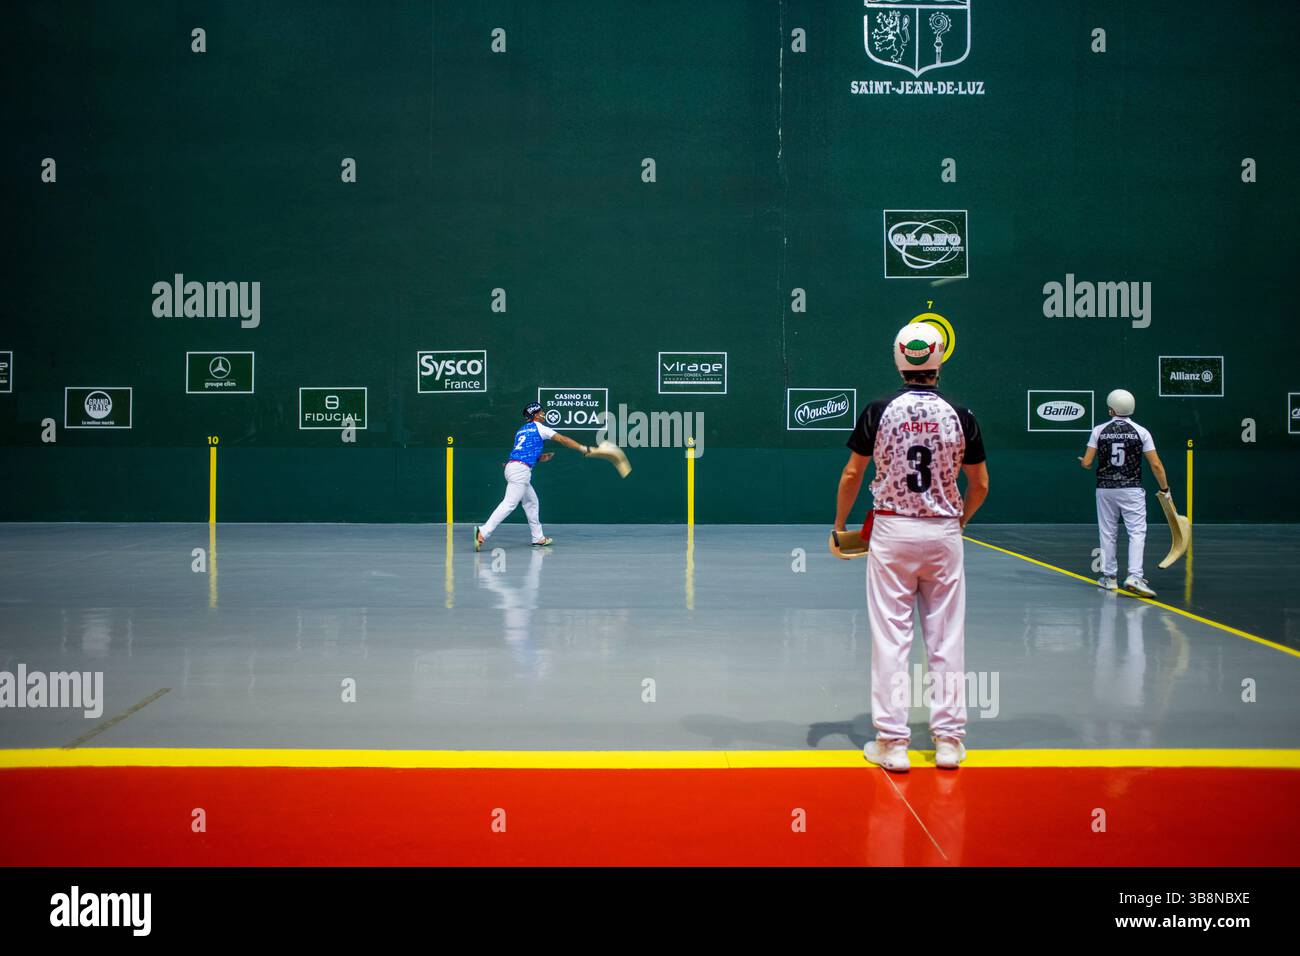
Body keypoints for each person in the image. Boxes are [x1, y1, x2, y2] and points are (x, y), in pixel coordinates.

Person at [834, 322, 990, 773]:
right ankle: (948, 741)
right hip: (942, 534)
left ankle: (893, 743)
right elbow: (979, 484)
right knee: (946, 637)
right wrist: (957, 521)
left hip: (891, 533)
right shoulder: (962, 415)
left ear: (898, 358)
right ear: (939, 360)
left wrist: (841, 526)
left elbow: (851, 475)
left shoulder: (878, 411)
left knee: (891, 637)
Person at [1077, 389, 1171, 598]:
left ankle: (1109, 578)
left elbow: (1087, 462)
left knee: (1108, 532)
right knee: (1136, 532)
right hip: (1132, 489)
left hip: (1105, 489)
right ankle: (1135, 576)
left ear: (1111, 409)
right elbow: (1155, 464)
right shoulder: (1141, 431)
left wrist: (1083, 463)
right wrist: (1165, 489)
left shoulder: (1099, 430)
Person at [475, 402, 591, 550]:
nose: (544, 414)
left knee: (531, 502)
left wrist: (538, 458)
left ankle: (538, 538)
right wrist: (582, 448)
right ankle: (483, 532)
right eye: (541, 412)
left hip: (512, 467)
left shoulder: (521, 431)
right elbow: (562, 439)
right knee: (509, 504)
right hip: (520, 471)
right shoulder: (540, 428)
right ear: (535, 414)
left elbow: (522, 452)